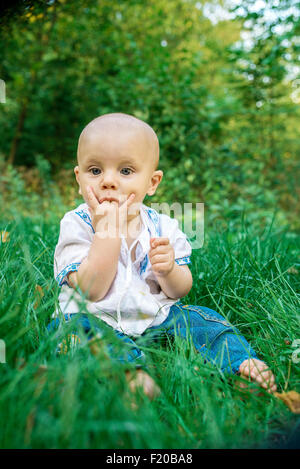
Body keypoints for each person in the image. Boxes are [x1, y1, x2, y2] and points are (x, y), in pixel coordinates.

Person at [47, 112, 277, 397]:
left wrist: (169, 271)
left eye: (126, 171)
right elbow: (91, 289)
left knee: (199, 320)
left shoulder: (163, 226)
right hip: (91, 317)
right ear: (79, 178)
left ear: (152, 182)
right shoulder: (76, 223)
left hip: (156, 317)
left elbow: (181, 289)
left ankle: (239, 364)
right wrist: (107, 231)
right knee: (76, 334)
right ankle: (127, 376)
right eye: (95, 171)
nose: (108, 181)